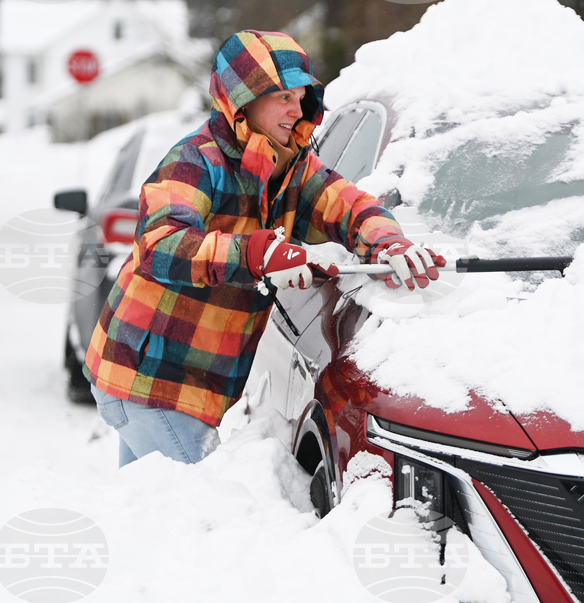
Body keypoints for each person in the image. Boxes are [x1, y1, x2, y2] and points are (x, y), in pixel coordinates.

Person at [83, 30, 443, 467]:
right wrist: (256, 254)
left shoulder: (290, 166)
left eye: (301, 96)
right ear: (242, 102)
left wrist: (389, 243)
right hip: (151, 377)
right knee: (198, 514)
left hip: (187, 384)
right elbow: (162, 243)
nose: (296, 109)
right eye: (282, 97)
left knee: (153, 515)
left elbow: (348, 206)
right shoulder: (197, 161)